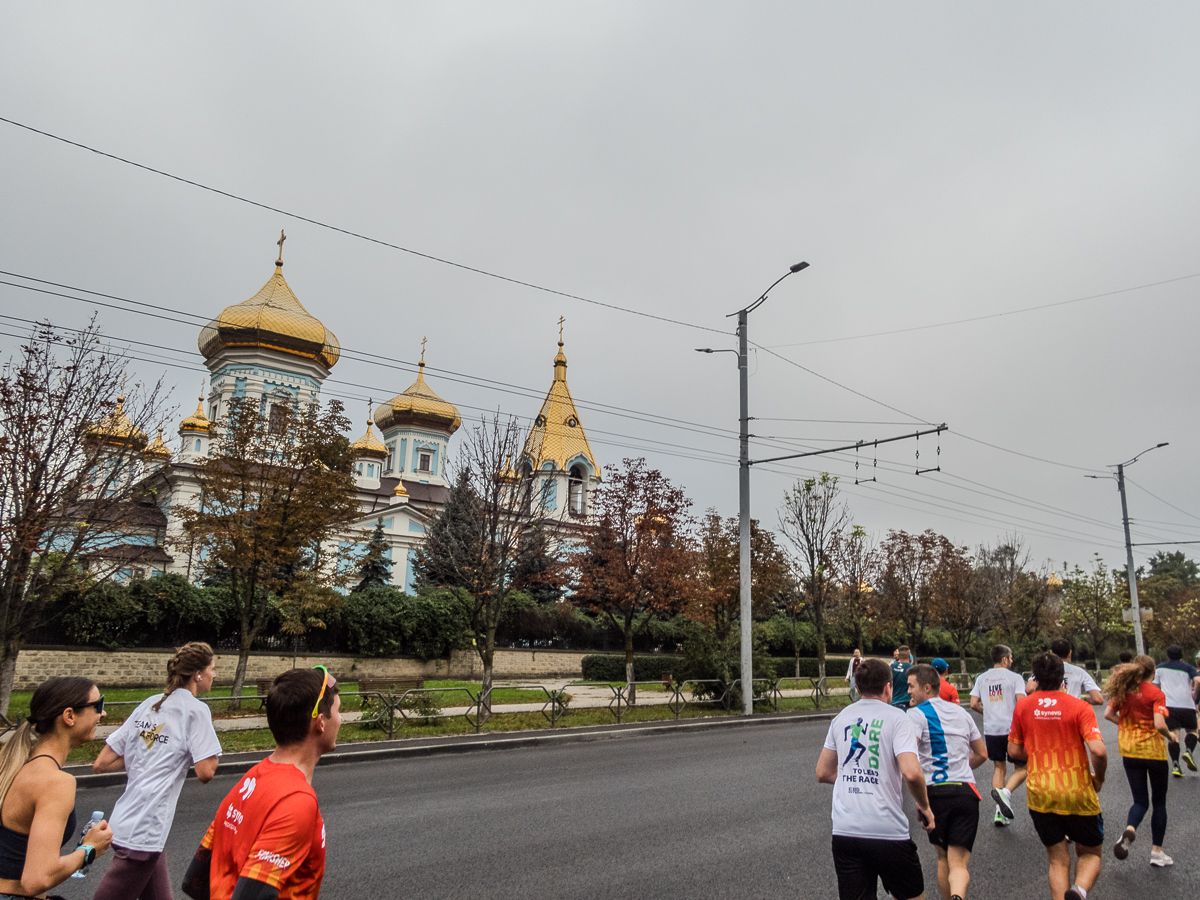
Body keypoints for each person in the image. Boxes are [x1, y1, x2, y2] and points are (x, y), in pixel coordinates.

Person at [183, 666, 341, 900]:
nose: (341, 719)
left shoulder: (251, 777)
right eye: (339, 710)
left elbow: (195, 880)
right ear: (321, 723)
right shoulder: (297, 800)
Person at [92, 642, 223, 900]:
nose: (214, 675)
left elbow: (102, 763)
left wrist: (159, 755)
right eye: (212, 669)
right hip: (145, 831)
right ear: (197, 674)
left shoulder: (150, 704)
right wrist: (190, 752)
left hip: (127, 821)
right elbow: (206, 771)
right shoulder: (196, 710)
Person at [816, 657, 935, 900]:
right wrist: (925, 806)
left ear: (858, 687)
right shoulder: (898, 718)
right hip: (887, 830)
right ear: (888, 687)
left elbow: (823, 772)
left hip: (845, 831)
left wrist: (853, 777)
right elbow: (911, 772)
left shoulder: (840, 718)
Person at [0, 676, 113, 898]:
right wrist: (89, 849)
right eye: (98, 705)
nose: (104, 714)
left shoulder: (12, 763)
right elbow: (37, 879)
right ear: (69, 716)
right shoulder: (56, 782)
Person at [1009, 652, 1107, 900]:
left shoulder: (1023, 706)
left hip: (1041, 795)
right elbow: (1097, 749)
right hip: (1078, 794)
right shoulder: (1080, 707)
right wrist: (1099, 778)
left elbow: (1013, 750)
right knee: (1090, 854)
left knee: (1057, 860)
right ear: (1063, 677)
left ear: (1035, 678)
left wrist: (1037, 753)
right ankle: (1080, 891)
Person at [906, 664, 987, 900]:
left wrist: (920, 799)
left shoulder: (916, 715)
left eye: (911, 686)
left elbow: (909, 757)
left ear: (927, 688)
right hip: (966, 793)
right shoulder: (961, 712)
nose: (908, 691)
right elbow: (982, 754)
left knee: (943, 857)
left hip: (935, 793)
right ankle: (958, 896)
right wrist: (958, 768)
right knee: (959, 863)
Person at [1104, 655, 1175, 867]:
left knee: (1140, 801)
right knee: (1159, 802)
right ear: (1153, 673)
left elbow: (1108, 714)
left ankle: (1130, 829)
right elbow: (1159, 723)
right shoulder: (1156, 693)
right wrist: (1170, 736)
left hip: (1130, 752)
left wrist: (1125, 725)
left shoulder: (1124, 691)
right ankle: (1157, 852)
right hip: (1153, 753)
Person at [967, 644, 1027, 826]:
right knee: (1023, 768)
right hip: (1012, 729)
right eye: (1011, 657)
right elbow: (1021, 704)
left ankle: (999, 812)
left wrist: (990, 713)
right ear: (1004, 659)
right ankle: (1006, 793)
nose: (1012, 660)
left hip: (992, 729)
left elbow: (973, 703)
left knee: (999, 768)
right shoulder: (1015, 678)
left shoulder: (982, 678)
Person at [1151, 644, 1200, 776]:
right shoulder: (1188, 667)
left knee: (1173, 735)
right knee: (1192, 731)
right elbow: (1198, 680)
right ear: (1181, 655)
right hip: (1187, 705)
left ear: (1168, 654)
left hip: (1168, 705)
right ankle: (1189, 750)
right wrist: (1195, 694)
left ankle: (1175, 765)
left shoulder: (1160, 667)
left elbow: (1155, 687)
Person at [1026, 639, 1103, 705]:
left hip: (1051, 711)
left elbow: (1029, 689)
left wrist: (1041, 700)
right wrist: (1082, 698)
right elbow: (1098, 699)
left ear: (1051, 653)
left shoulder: (1045, 669)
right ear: (1070, 653)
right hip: (1072, 713)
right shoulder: (1079, 672)